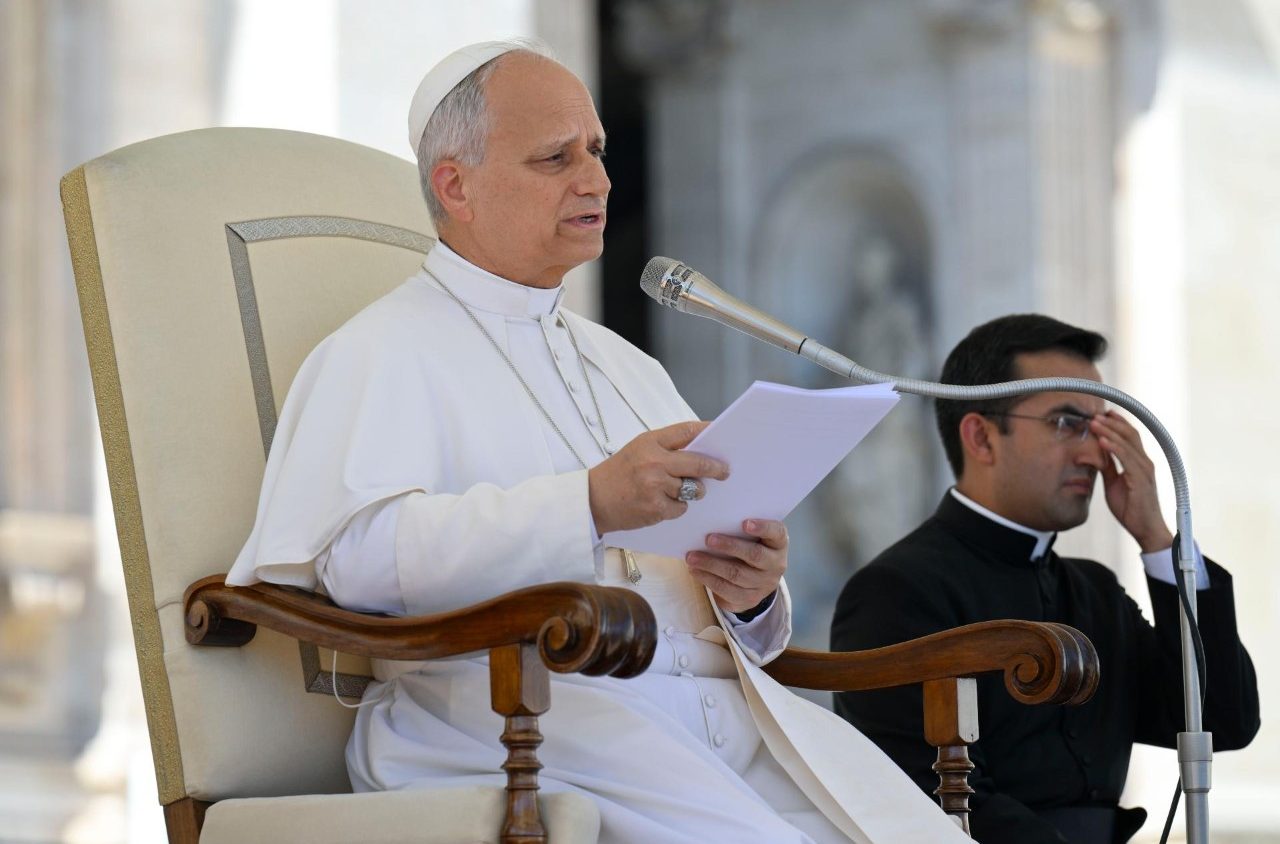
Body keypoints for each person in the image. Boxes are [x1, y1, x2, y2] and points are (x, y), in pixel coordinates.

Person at [226, 39, 970, 844]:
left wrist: (751, 593)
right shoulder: (377, 351)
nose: (598, 180)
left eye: (597, 151)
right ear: (455, 185)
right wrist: (587, 505)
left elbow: (726, 605)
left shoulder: (627, 365)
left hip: (719, 720)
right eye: (556, 157)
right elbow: (357, 560)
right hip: (514, 717)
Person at [830, 314, 1260, 844]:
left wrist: (1156, 537)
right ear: (982, 438)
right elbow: (923, 798)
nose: (1095, 455)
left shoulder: (1096, 591)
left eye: (1102, 427)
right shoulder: (894, 591)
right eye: (1066, 423)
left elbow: (1224, 718)